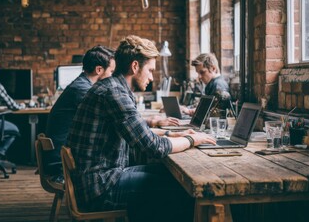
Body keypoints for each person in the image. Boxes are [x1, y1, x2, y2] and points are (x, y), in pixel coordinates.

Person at [67, 35, 216, 222]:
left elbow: (139, 133)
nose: (152, 77)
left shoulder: (113, 87)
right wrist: (193, 139)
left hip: (100, 177)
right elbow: (153, 147)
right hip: (99, 186)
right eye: (150, 70)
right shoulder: (114, 93)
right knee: (181, 188)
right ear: (135, 66)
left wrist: (173, 133)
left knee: (169, 176)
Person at [45, 45, 116, 183]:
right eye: (112, 71)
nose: (113, 76)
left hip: (62, 157)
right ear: (99, 70)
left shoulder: (81, 84)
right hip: (62, 164)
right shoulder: (83, 90)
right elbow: (112, 118)